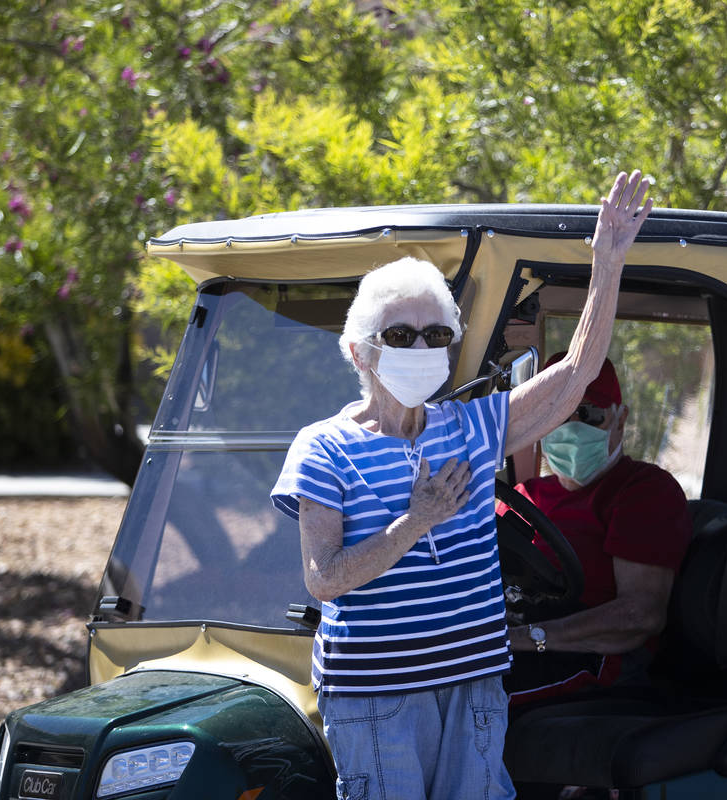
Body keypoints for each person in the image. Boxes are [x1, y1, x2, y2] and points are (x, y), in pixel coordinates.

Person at [270, 170, 652, 800]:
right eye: (399, 335)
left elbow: (578, 372)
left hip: (474, 685)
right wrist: (415, 522)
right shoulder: (324, 447)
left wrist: (606, 262)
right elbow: (324, 578)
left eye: (435, 334)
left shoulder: (473, 425)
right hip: (376, 697)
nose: (420, 347)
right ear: (358, 351)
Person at [504, 355, 692, 705]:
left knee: (463, 693)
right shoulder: (523, 497)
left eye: (589, 414)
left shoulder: (643, 490)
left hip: (593, 660)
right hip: (516, 636)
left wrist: (522, 638)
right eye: (559, 412)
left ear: (620, 420)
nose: (572, 424)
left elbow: (640, 615)